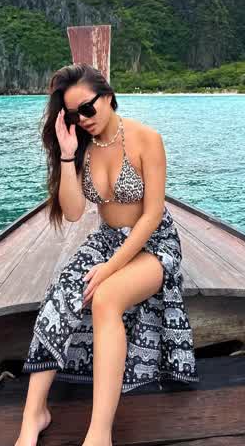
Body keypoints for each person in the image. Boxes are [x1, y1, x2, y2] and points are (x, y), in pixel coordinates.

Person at [15, 63, 199, 446]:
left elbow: (152, 215)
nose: (83, 119)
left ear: (109, 97)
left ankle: (99, 434)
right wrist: (67, 155)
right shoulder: (83, 148)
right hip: (107, 240)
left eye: (88, 108)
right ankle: (33, 415)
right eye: (73, 115)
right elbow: (72, 212)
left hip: (154, 244)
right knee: (63, 291)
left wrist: (110, 268)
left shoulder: (147, 139)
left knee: (105, 297)